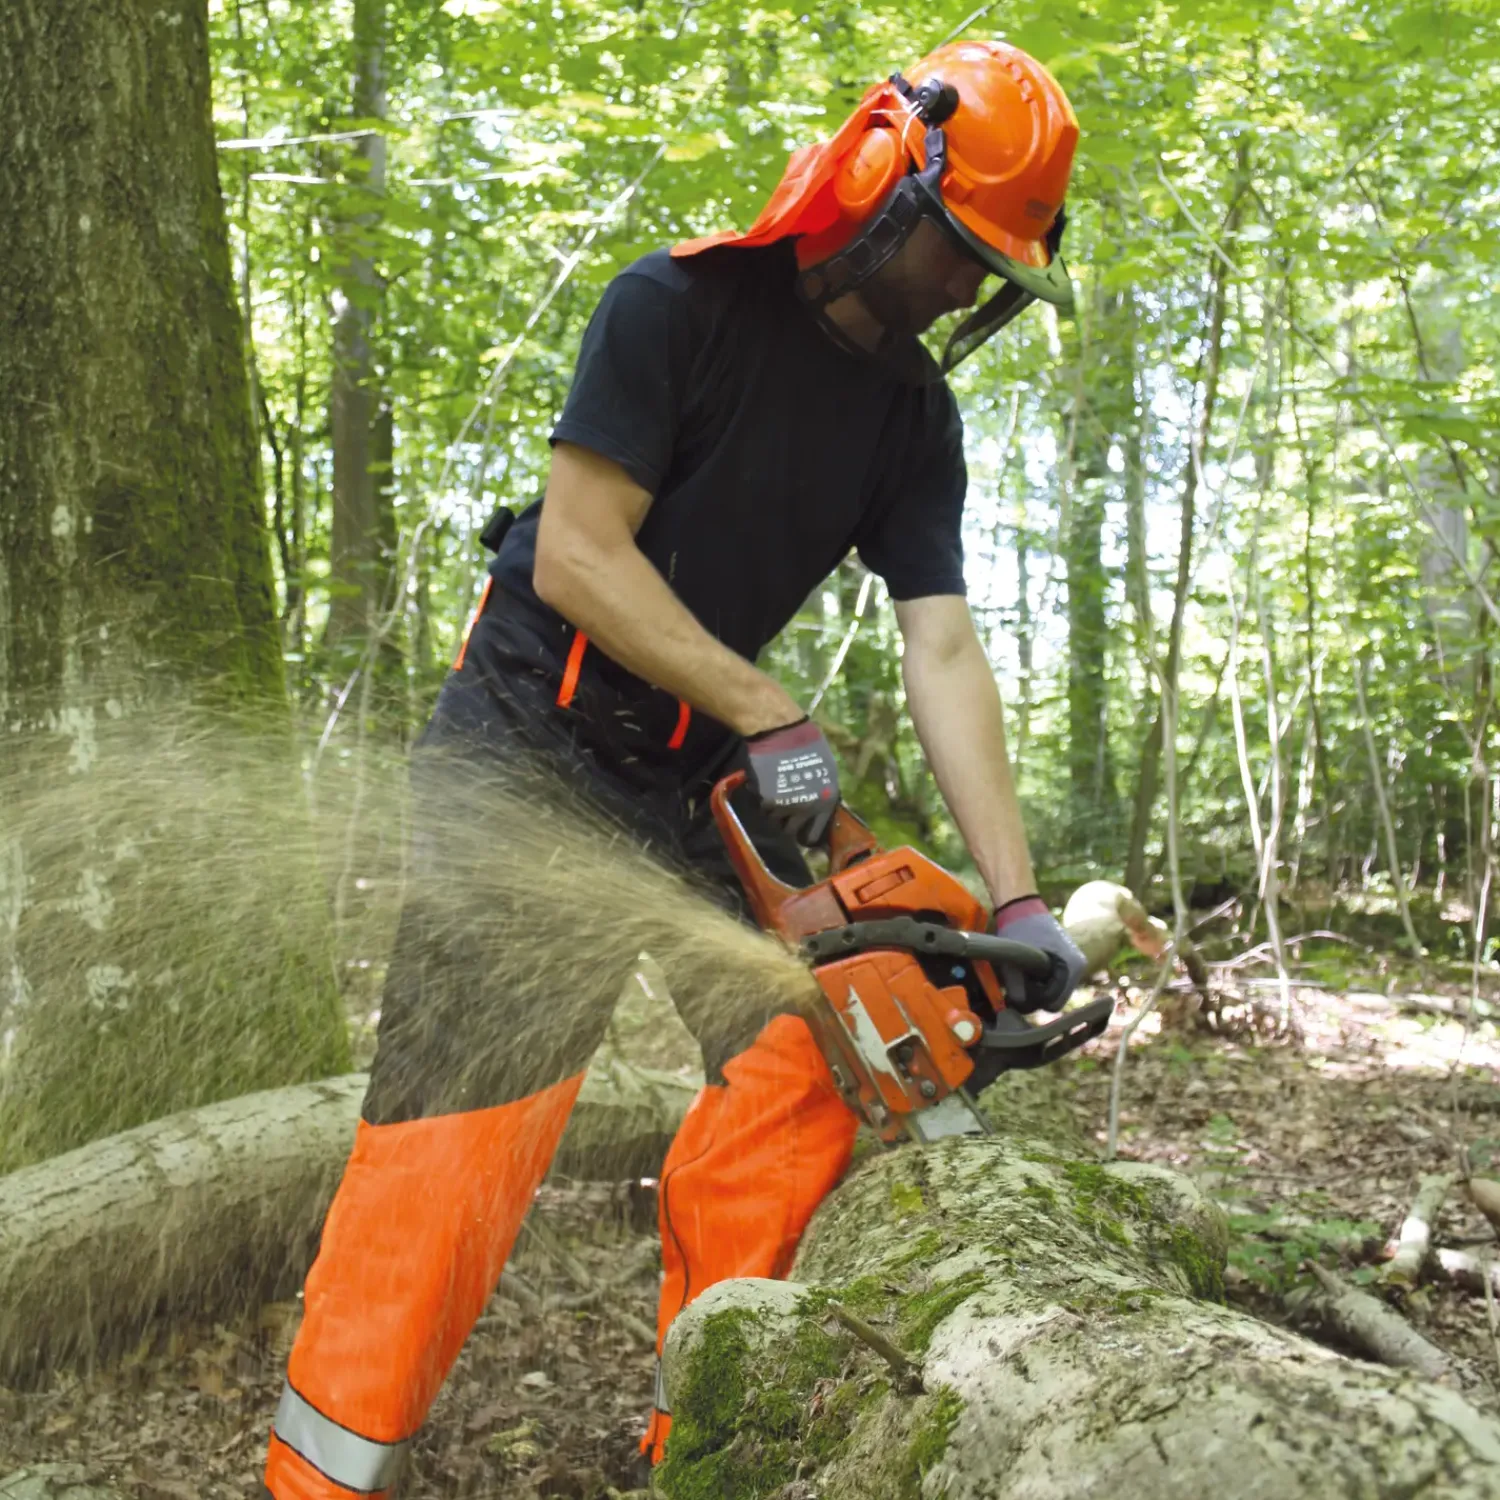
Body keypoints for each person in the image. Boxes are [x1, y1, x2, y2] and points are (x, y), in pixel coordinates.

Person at [263, 37, 1087, 1499]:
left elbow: (944, 651)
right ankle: (321, 1477)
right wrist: (764, 700)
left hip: (702, 770)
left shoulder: (914, 417)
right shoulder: (677, 307)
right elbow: (580, 555)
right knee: (463, 1137)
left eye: (994, 270)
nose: (970, 290)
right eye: (962, 253)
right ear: (887, 182)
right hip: (534, 737)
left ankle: (700, 1436)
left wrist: (1017, 905)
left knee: (827, 1049)